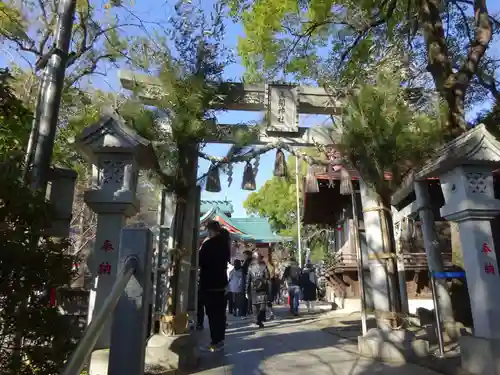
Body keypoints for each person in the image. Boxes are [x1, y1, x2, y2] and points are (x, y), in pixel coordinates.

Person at [198, 221, 230, 352]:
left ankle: (215, 342)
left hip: (209, 283)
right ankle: (220, 340)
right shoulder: (225, 244)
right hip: (221, 283)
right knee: (220, 314)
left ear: (210, 230)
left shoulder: (208, 245)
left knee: (212, 315)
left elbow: (200, 261)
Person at [246, 251, 270, 328]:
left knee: (255, 305)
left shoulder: (250, 267)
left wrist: (246, 291)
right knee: (262, 306)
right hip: (262, 288)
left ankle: (256, 319)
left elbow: (248, 280)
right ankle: (259, 320)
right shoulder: (264, 266)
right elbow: (267, 277)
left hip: (254, 288)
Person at [240, 250, 253, 318]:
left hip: (248, 281)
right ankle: (248, 311)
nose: (243, 256)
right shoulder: (247, 262)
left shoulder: (248, 261)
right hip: (247, 281)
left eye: (244, 255)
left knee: (246, 297)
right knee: (248, 297)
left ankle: (245, 312)